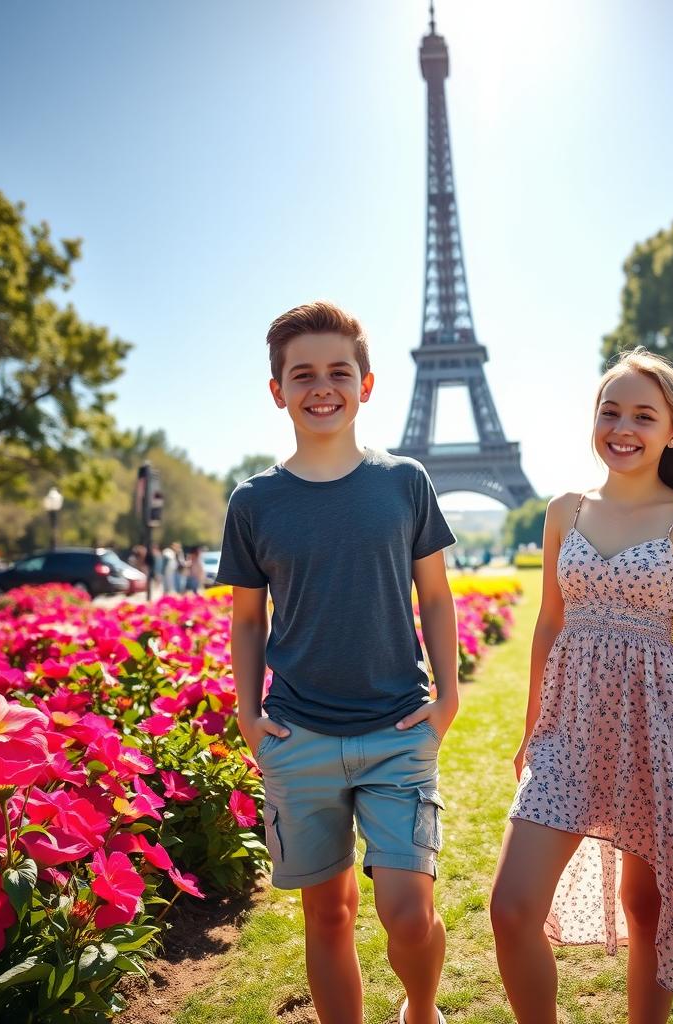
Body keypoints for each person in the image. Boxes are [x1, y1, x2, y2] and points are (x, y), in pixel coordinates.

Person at [489, 347, 673, 1022]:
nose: (623, 427)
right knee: (511, 908)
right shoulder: (563, 511)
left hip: (657, 724)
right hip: (566, 729)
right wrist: (530, 732)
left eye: (643, 414)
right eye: (610, 411)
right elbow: (549, 626)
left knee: (647, 903)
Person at [216, 301, 458, 1024]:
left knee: (408, 911)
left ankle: (421, 1011)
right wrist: (248, 714)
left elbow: (437, 598)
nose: (322, 387)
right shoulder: (254, 502)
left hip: (396, 727)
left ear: (368, 383)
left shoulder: (404, 482)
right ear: (277, 390)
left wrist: (446, 699)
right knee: (328, 914)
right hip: (300, 736)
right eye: (303, 374)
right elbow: (247, 617)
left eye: (338, 371)